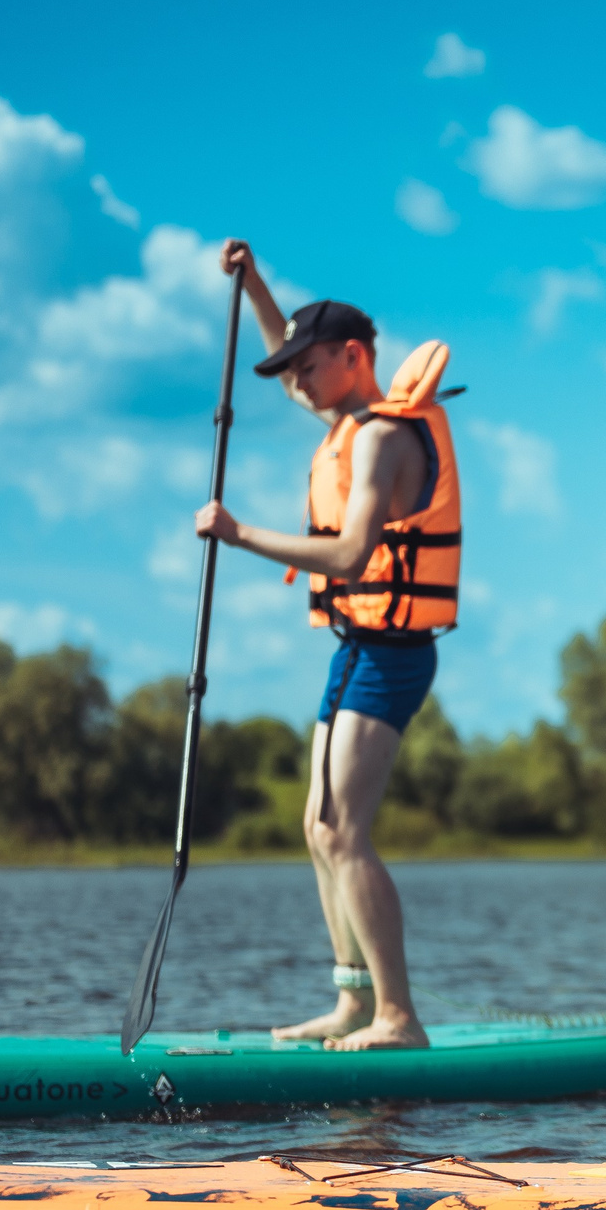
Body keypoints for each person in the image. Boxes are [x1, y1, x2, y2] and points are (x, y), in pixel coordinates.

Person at [191, 239, 462, 1051]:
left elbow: (349, 555)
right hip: (354, 646)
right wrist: (254, 285)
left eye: (309, 368)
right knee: (318, 825)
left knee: (347, 829)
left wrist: (240, 537)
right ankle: (352, 1001)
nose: (298, 383)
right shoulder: (347, 420)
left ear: (354, 357)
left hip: (394, 652)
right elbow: (285, 350)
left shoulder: (383, 438)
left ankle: (398, 1016)